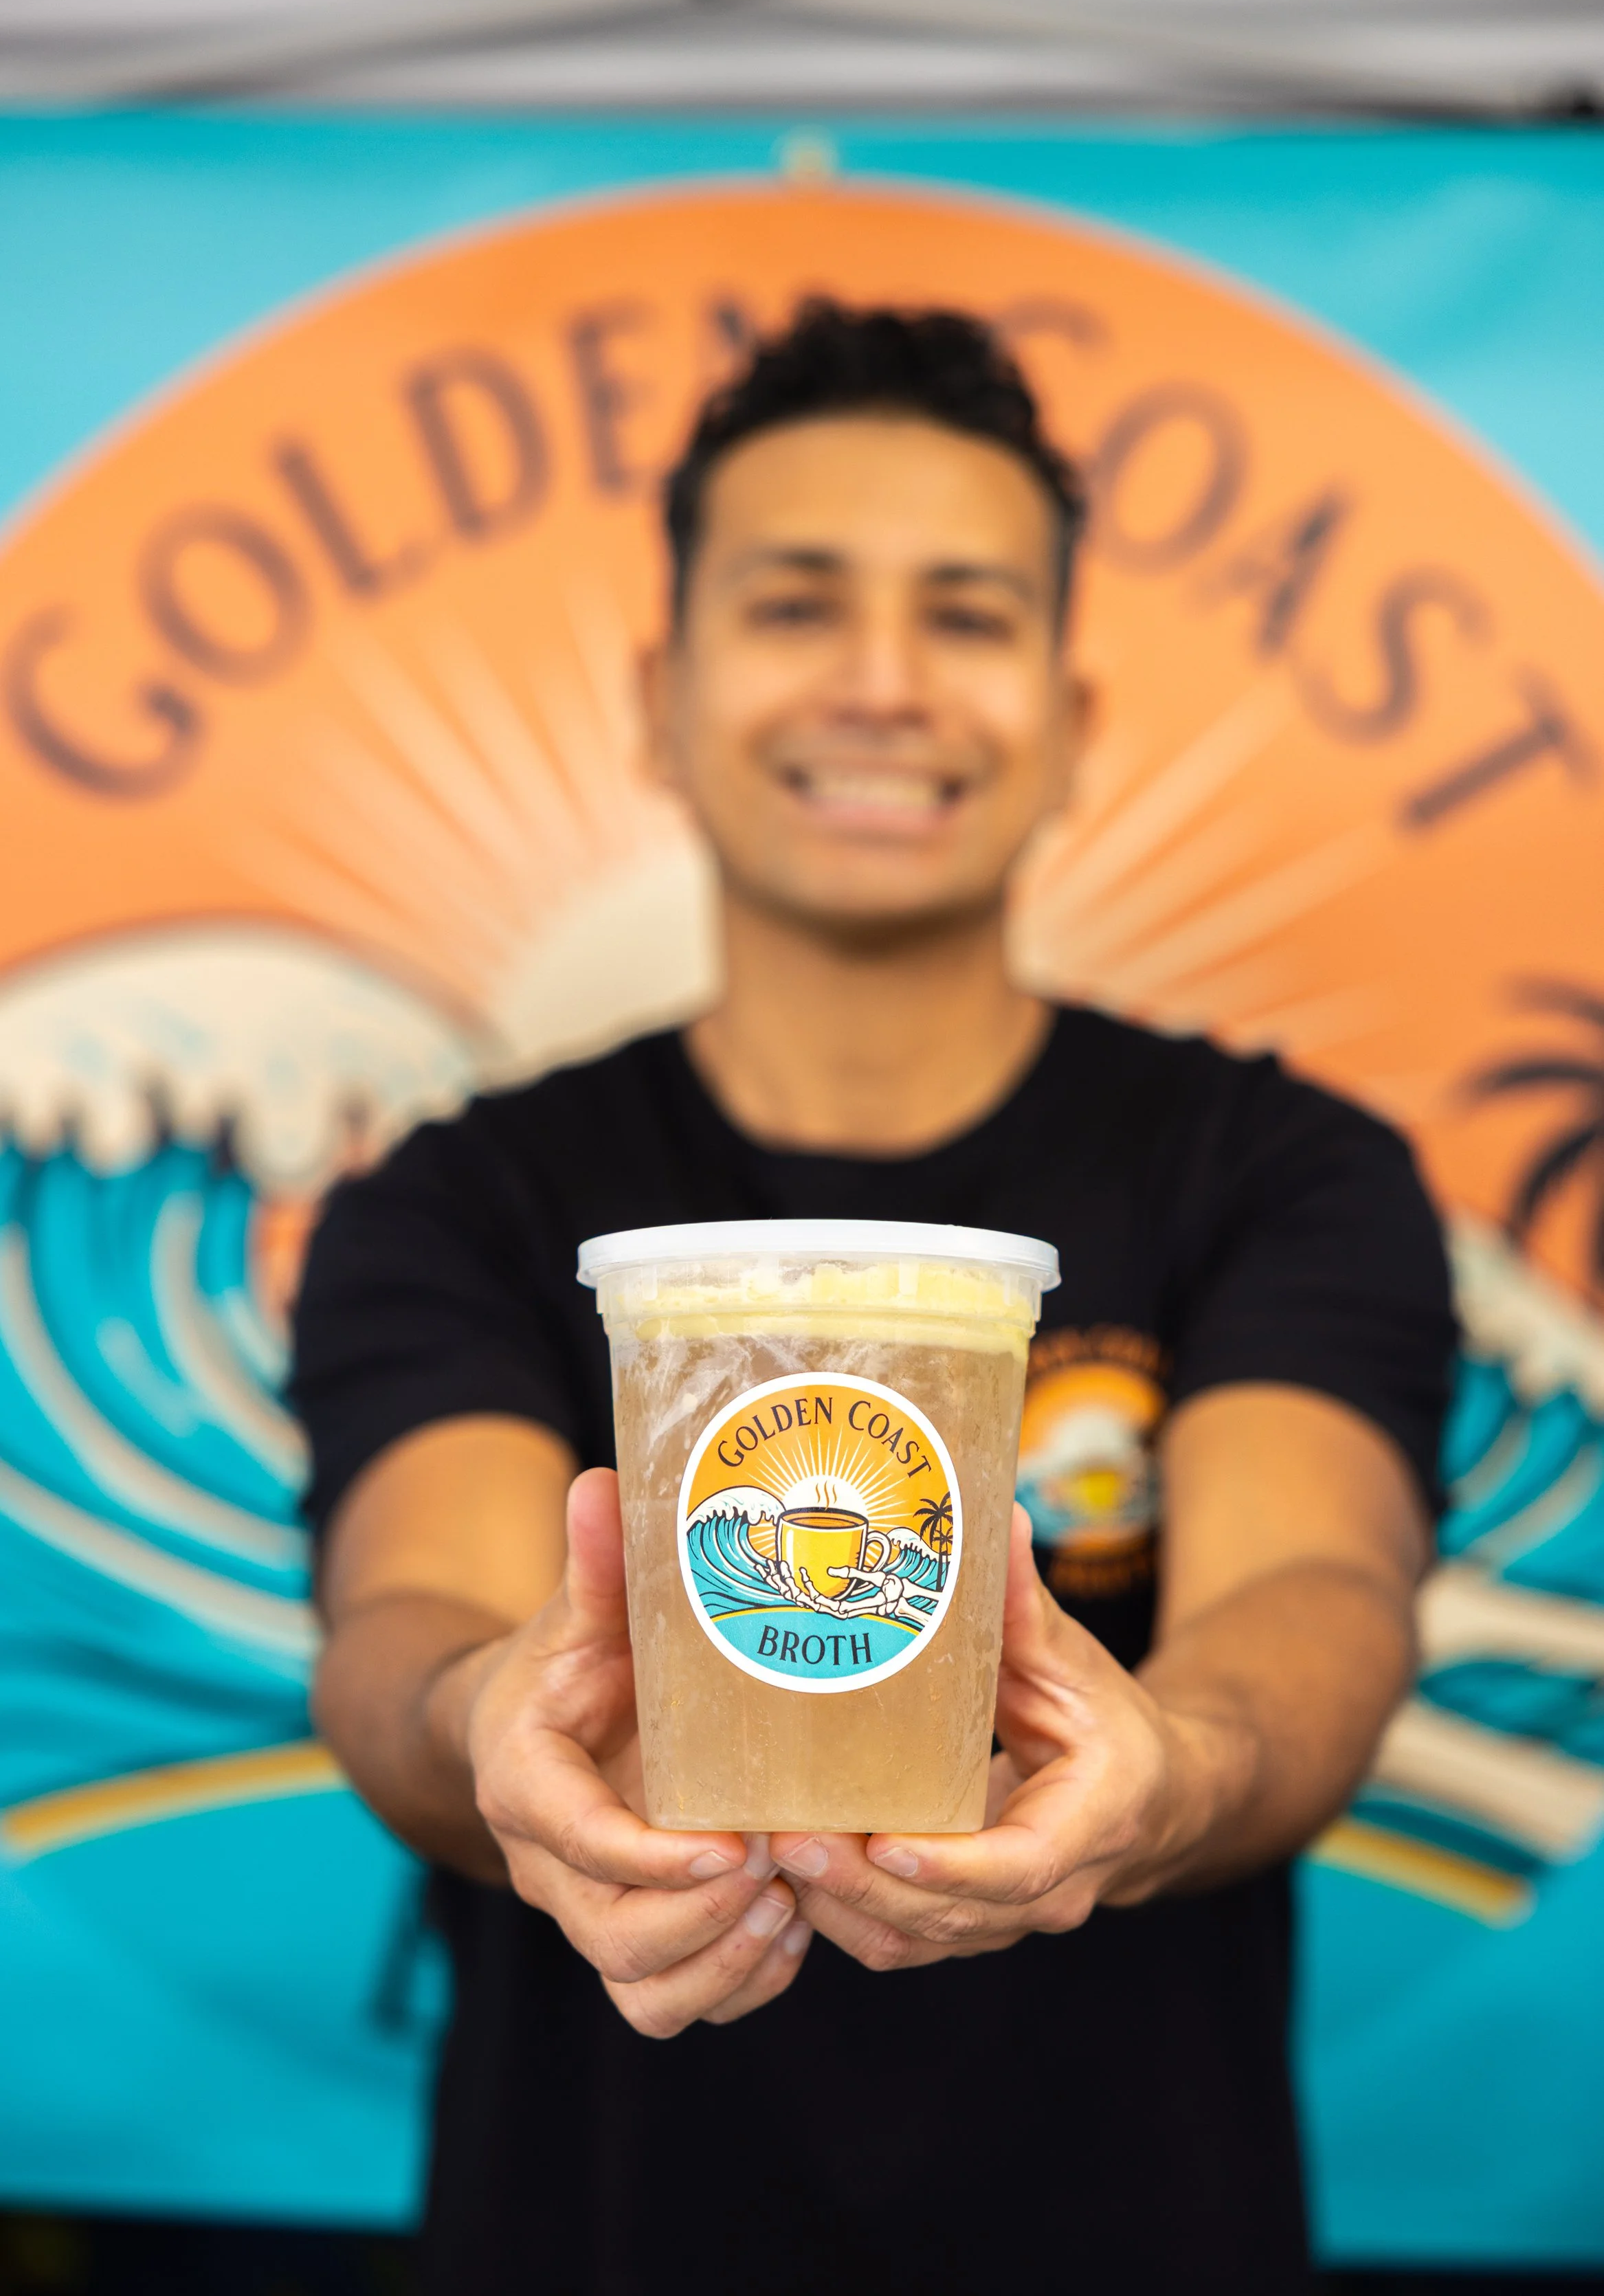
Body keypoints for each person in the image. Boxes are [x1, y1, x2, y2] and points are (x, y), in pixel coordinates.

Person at [292, 301, 1455, 2295]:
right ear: (660, 699)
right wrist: (497, 1722)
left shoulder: (1281, 1171)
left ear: (1070, 720)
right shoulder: (463, 1198)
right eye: (798, 604)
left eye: (968, 615)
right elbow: (410, 1615)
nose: (885, 683)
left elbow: (1315, 1588)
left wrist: (1170, 1768)